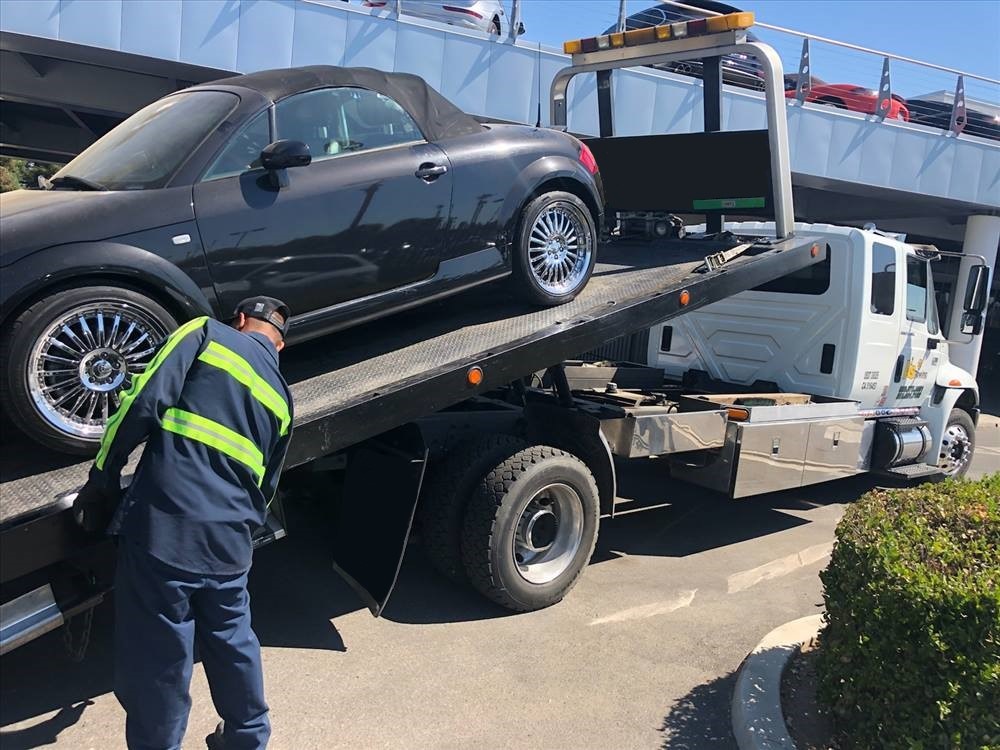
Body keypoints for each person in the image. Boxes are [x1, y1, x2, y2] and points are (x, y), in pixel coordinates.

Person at [73, 297, 294, 750]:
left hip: (167, 530)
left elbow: (143, 400)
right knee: (233, 641)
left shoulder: (207, 334)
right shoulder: (282, 397)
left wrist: (103, 475)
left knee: (161, 656)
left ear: (240, 320)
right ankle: (247, 738)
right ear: (280, 346)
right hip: (230, 543)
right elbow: (268, 485)